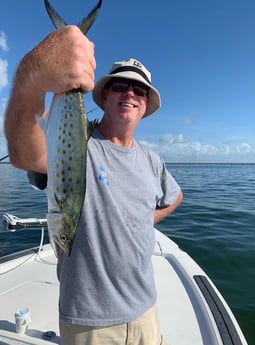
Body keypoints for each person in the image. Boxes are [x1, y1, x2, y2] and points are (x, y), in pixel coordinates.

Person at [4, 26, 183, 345]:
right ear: (104, 95)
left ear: (146, 103)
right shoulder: (78, 144)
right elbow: (23, 155)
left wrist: (144, 220)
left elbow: (175, 196)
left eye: (139, 90)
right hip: (90, 323)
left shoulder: (152, 160)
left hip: (146, 311)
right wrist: (33, 74)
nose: (130, 94)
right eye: (120, 85)